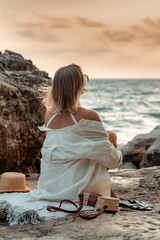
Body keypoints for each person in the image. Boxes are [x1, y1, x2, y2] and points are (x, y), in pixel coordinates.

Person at [30, 63, 122, 202]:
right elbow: (111, 159)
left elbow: (68, 145)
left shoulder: (49, 114)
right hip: (76, 189)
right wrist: (118, 154)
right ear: (79, 86)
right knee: (110, 136)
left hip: (50, 185)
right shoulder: (89, 116)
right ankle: (95, 188)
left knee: (91, 144)